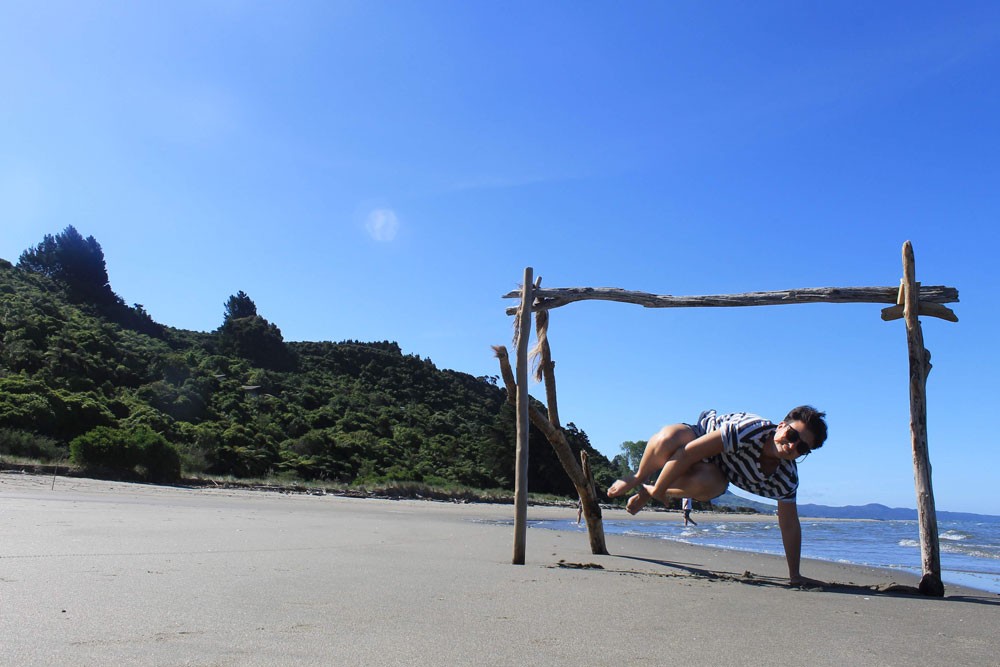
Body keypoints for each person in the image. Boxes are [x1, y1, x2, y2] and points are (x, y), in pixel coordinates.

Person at [607, 406, 828, 586]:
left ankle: (650, 489)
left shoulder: (785, 479)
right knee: (669, 437)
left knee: (711, 486)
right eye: (791, 435)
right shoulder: (750, 431)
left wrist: (795, 575)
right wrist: (658, 489)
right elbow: (689, 452)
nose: (791, 446)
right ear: (781, 426)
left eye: (802, 448)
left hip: (717, 470)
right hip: (701, 436)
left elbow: (789, 525)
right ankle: (638, 477)